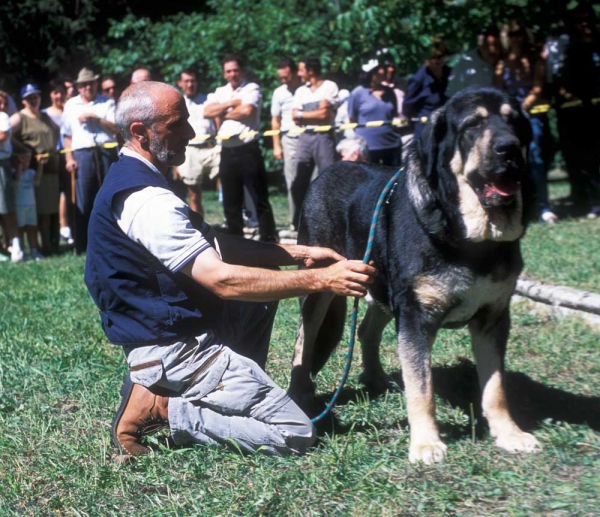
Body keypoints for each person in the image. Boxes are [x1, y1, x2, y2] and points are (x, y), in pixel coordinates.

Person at [84, 80, 377, 458]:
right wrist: (323, 279)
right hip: (174, 348)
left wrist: (299, 253)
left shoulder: (137, 177)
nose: (190, 132)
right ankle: (165, 409)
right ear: (140, 131)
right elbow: (221, 279)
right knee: (297, 432)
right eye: (177, 124)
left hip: (174, 335)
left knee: (257, 302)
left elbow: (217, 244)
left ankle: (203, 392)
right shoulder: (147, 200)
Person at [204, 55, 278, 242]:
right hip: (227, 151)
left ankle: (269, 239)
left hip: (247, 149)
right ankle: (236, 241)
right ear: (224, 73)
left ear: (242, 70)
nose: (232, 74)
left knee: (259, 198)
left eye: (235, 70)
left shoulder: (252, 88)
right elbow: (206, 112)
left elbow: (247, 111)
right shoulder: (220, 91)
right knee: (230, 202)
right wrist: (231, 104)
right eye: (228, 71)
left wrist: (221, 112)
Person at [495, 21, 556, 223]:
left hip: (531, 117)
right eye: (512, 33)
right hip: (509, 120)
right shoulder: (502, 64)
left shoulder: (534, 60)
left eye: (520, 33)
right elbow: (499, 91)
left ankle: (544, 207)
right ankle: (517, 207)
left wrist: (521, 109)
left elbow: (537, 88)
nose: (517, 37)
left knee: (536, 159)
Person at [61, 67, 119, 254]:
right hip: (82, 154)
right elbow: (66, 135)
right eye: (84, 84)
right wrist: (69, 158)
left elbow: (116, 129)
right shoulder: (70, 105)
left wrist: (96, 118)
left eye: (91, 83)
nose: (88, 87)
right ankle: (83, 244)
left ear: (96, 84)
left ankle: (109, 242)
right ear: (79, 87)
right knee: (83, 200)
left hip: (105, 152)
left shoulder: (108, 103)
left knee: (107, 198)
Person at [556, 5, 600, 218]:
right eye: (579, 21)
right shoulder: (573, 50)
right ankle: (591, 203)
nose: (585, 25)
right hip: (581, 114)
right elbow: (566, 83)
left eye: (587, 20)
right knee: (586, 161)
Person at [11, 83, 61, 254]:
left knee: (49, 211)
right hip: (32, 171)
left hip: (50, 168)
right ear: (23, 100)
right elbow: (6, 134)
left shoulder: (45, 117)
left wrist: (52, 147)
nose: (33, 100)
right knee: (37, 212)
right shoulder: (20, 117)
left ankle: (50, 244)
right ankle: (39, 246)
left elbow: (56, 130)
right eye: (29, 97)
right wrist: (24, 149)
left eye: (36, 96)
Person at [291, 56, 338, 229]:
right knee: (299, 181)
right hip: (305, 137)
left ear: (310, 71)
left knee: (328, 178)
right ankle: (300, 220)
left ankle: (330, 220)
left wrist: (303, 114)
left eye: (301, 69)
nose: (299, 73)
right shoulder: (301, 91)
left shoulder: (329, 86)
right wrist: (315, 110)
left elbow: (324, 115)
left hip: (324, 136)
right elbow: (294, 117)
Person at [175, 68, 219, 216]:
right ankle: (201, 229)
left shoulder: (209, 99)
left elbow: (218, 124)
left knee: (231, 181)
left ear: (197, 82)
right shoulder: (176, 102)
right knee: (194, 194)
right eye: (186, 81)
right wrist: (175, 162)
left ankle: (237, 221)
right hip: (190, 150)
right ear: (180, 83)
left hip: (211, 148)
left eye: (192, 81)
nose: (190, 84)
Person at [347, 58, 402, 166]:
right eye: (378, 70)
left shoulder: (390, 92)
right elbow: (352, 119)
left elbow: (392, 115)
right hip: (369, 147)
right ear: (371, 73)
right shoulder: (357, 93)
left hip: (391, 144)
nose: (382, 72)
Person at [270, 57, 302, 230]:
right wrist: (276, 145)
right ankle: (295, 221)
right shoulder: (279, 93)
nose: (283, 81)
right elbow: (275, 120)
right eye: (281, 78)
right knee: (292, 181)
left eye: (286, 77)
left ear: (295, 72)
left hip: (307, 138)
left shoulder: (305, 89)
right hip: (288, 139)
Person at [43, 79, 73, 246]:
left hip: (70, 155)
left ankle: (69, 226)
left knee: (69, 191)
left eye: (61, 92)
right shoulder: (45, 113)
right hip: (53, 158)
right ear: (51, 95)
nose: (59, 96)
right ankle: (61, 227)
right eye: (56, 93)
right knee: (58, 192)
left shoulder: (69, 110)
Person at [403, 39, 451, 139]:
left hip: (446, 128)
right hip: (425, 131)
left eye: (440, 57)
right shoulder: (418, 79)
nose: (436, 61)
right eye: (432, 57)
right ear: (426, 60)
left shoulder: (451, 74)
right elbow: (408, 106)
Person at [446, 26, 502, 98]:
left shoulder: (505, 62)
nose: (491, 50)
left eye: (495, 45)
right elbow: (453, 95)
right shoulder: (465, 64)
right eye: (486, 46)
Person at [0, 90, 22, 262]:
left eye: (4, 103)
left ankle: (16, 246)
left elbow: (2, 135)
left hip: (2, 165)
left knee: (7, 208)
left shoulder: (3, 117)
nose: (1, 106)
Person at [13, 150, 44, 260]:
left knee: (32, 228)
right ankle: (22, 251)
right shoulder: (14, 172)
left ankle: (34, 251)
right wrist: (20, 166)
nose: (27, 162)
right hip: (19, 206)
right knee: (20, 229)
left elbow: (37, 180)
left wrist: (40, 165)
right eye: (24, 159)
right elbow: (16, 180)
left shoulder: (31, 172)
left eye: (28, 160)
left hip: (31, 205)